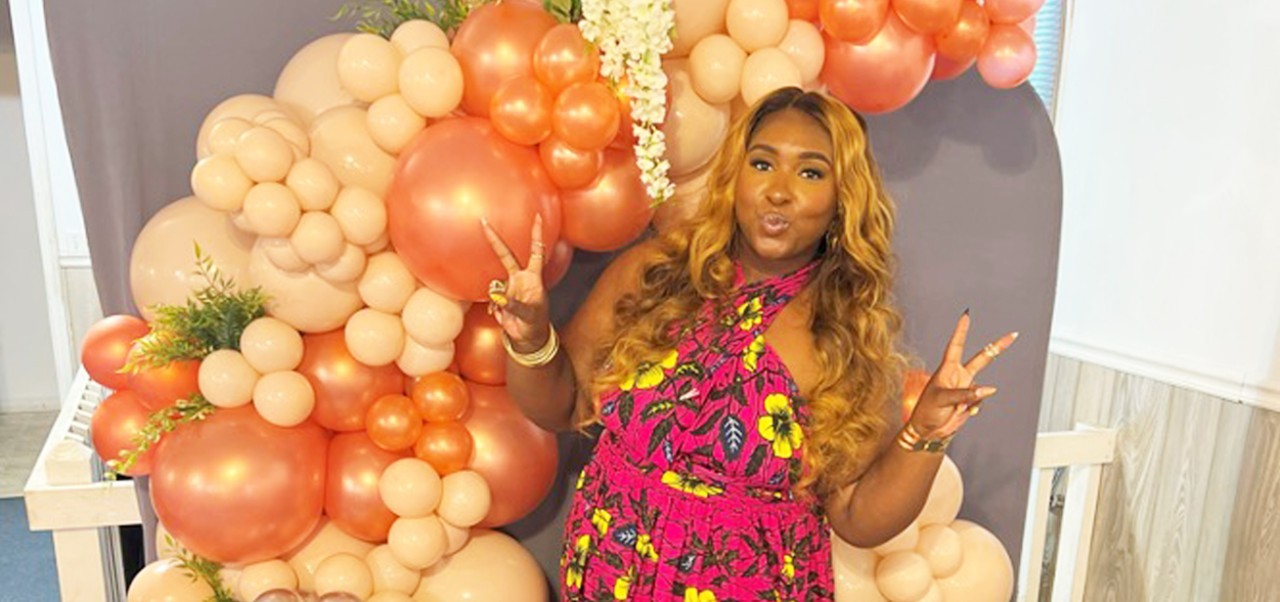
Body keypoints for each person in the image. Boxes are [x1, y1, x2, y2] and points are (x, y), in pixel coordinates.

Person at [481, 87, 1016, 601]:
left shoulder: (845, 335)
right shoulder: (655, 272)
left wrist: (925, 433)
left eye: (810, 172)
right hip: (609, 573)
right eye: (762, 163)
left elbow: (857, 516)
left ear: (841, 200)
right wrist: (530, 338)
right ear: (735, 176)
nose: (778, 189)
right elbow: (561, 405)